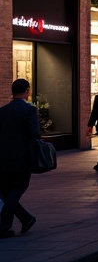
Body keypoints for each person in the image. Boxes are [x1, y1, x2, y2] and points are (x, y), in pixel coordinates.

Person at [0, 79, 39, 238]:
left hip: (3, 159)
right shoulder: (29, 110)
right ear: (27, 91)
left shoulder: (2, 111)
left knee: (5, 192)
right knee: (17, 189)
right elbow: (34, 134)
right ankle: (4, 226)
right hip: (22, 159)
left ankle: (26, 218)